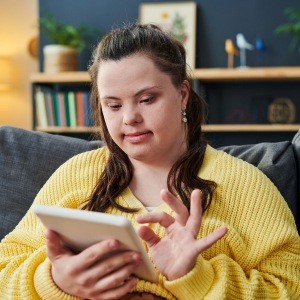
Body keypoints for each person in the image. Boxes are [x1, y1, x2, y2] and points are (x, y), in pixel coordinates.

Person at [0, 23, 300, 300]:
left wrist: (196, 277)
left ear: (182, 95)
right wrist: (52, 280)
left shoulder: (244, 183)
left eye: (146, 100)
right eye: (113, 105)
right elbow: (4, 272)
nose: (130, 118)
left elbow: (289, 286)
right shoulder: (75, 176)